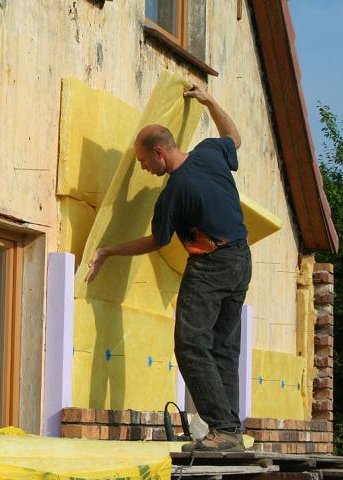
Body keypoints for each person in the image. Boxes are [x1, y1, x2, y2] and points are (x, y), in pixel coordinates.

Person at [85, 84, 251, 452]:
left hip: (211, 264)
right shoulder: (210, 152)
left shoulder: (174, 192)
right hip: (241, 259)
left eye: (144, 162)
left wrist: (108, 250)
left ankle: (223, 431)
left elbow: (156, 241)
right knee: (222, 348)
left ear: (159, 152)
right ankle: (230, 433)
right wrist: (210, 100)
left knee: (191, 344)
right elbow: (234, 137)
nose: (144, 169)